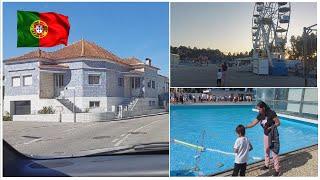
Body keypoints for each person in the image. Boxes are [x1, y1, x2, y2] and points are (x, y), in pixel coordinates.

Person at [245, 101, 281, 176]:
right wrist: (245, 127)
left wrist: (271, 127)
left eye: (259, 109)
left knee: (274, 152)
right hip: (266, 135)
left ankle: (277, 170)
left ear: (263, 108)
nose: (259, 111)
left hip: (273, 135)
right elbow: (253, 123)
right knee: (266, 150)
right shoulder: (260, 114)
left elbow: (278, 123)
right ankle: (267, 165)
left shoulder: (271, 113)